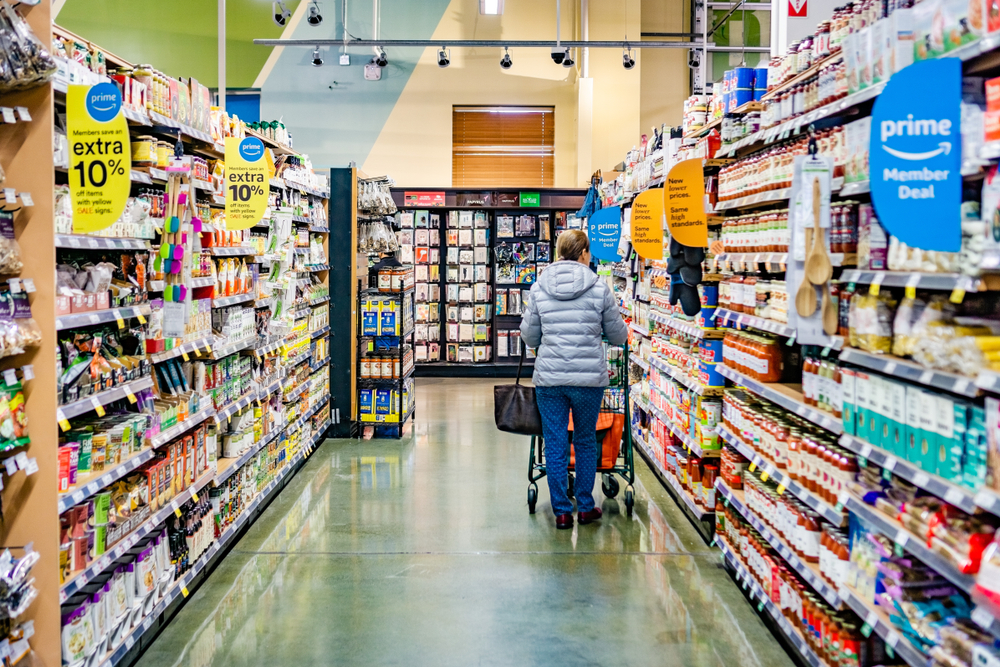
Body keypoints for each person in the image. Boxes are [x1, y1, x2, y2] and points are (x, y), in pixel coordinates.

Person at [519, 230, 628, 530]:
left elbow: (529, 335)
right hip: (588, 380)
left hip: (550, 380)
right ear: (582, 254)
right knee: (584, 440)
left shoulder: (539, 287)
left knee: (554, 441)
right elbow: (619, 335)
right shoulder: (599, 288)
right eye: (589, 252)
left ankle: (562, 511)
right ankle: (586, 505)